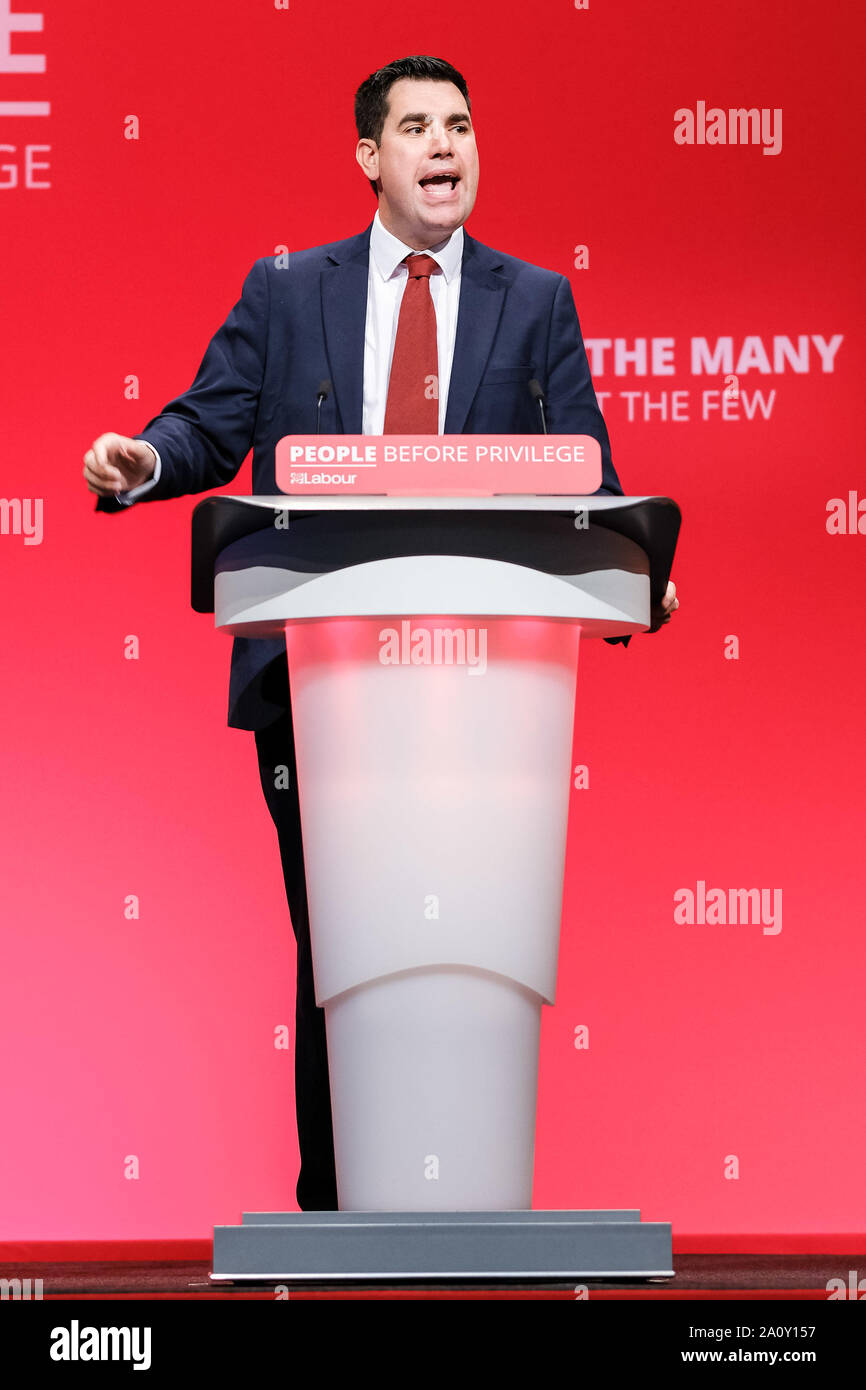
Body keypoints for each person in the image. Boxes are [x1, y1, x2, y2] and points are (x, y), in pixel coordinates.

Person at [83, 54, 679, 1212]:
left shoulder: (537, 298)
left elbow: (590, 474)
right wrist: (145, 460)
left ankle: (461, 1201)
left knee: (467, 926)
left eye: (459, 124)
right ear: (370, 157)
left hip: (487, 685)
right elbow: (210, 424)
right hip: (325, 682)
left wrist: (635, 570)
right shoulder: (289, 290)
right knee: (342, 933)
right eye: (416, 127)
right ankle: (342, 1207)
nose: (445, 145)